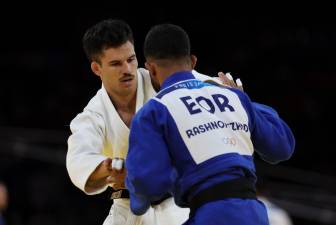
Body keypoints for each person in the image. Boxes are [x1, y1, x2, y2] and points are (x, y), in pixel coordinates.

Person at [125, 24, 295, 225]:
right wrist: (246, 100)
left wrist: (135, 191)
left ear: (151, 69)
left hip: (210, 215)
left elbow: (150, 185)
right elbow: (282, 147)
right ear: (193, 62)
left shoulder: (154, 111)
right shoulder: (234, 97)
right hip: (254, 214)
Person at [66, 19, 232, 225]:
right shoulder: (93, 116)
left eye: (131, 59)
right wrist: (112, 169)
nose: (127, 69)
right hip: (128, 208)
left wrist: (233, 93)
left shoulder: (160, 78)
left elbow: (209, 86)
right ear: (96, 68)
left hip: (179, 203)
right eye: (116, 63)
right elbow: (79, 161)